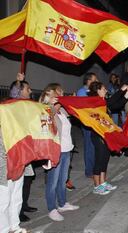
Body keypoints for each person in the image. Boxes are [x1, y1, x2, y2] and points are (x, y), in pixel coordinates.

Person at [39, 84, 79, 222]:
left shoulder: (61, 111)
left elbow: (73, 112)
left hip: (67, 149)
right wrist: (53, 104)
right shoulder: (48, 110)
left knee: (63, 180)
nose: (61, 94)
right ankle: (52, 208)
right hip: (55, 151)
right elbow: (45, 113)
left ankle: (62, 204)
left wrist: (72, 102)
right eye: (58, 92)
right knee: (53, 182)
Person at [88, 81, 128, 195]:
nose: (106, 90)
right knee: (99, 160)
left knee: (105, 159)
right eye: (103, 89)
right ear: (97, 91)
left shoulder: (102, 102)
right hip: (98, 135)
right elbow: (111, 101)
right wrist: (121, 90)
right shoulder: (94, 102)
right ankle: (96, 186)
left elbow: (114, 105)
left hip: (106, 134)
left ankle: (103, 182)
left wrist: (126, 96)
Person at [9, 78, 37, 223]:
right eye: (27, 89)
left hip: (26, 149)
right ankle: (16, 213)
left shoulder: (28, 105)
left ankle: (23, 205)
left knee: (27, 180)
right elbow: (14, 93)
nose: (30, 91)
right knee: (16, 184)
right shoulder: (14, 104)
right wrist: (19, 82)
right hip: (17, 150)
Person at [0, 88, 28, 233]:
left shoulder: (19, 124)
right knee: (3, 201)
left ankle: (14, 226)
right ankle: (3, 229)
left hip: (19, 166)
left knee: (16, 198)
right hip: (4, 169)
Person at [76, 73, 98, 178]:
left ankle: (94, 169)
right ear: (88, 81)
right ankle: (89, 171)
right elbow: (85, 108)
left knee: (94, 146)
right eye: (95, 79)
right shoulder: (82, 92)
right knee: (89, 147)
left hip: (94, 122)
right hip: (87, 123)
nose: (97, 81)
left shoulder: (92, 91)